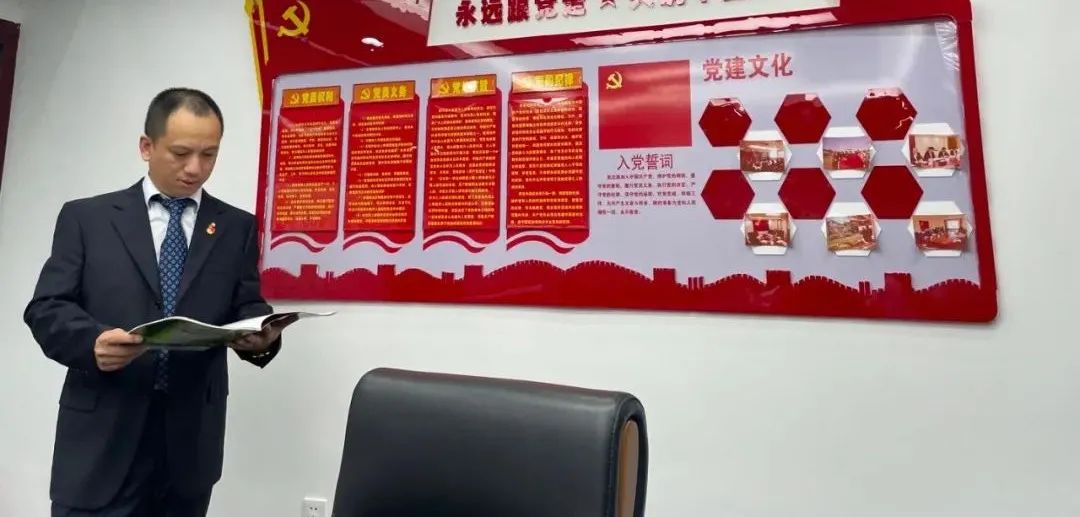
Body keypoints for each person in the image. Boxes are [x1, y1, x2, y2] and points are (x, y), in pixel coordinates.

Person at [24, 87, 285, 516]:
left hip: (188, 447)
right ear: (147, 147)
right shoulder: (88, 219)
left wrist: (261, 335)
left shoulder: (236, 227)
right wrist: (91, 342)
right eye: (181, 153)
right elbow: (46, 307)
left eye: (209, 155)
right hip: (100, 439)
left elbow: (246, 305)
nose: (195, 168)